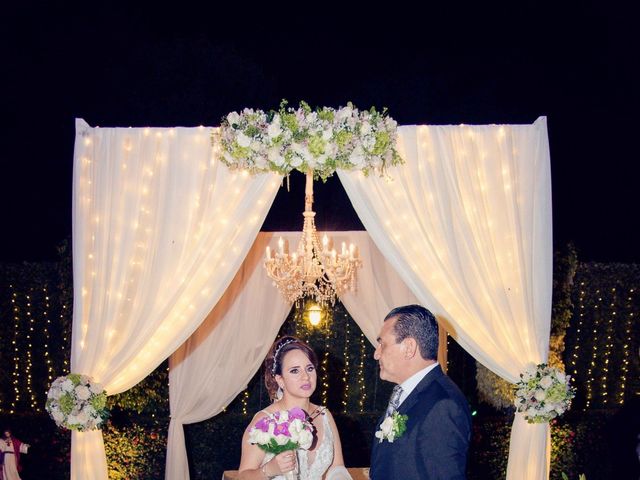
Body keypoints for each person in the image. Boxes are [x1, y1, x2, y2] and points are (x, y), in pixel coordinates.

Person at [370, 305, 471, 479]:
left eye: (382, 345)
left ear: (409, 347)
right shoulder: (410, 393)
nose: (376, 354)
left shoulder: (443, 405)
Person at [238, 336, 352, 479]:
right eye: (294, 371)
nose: (306, 377)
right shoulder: (265, 420)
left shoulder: (324, 415)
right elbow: (242, 476)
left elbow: (337, 468)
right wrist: (269, 470)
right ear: (280, 380)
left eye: (309, 368)